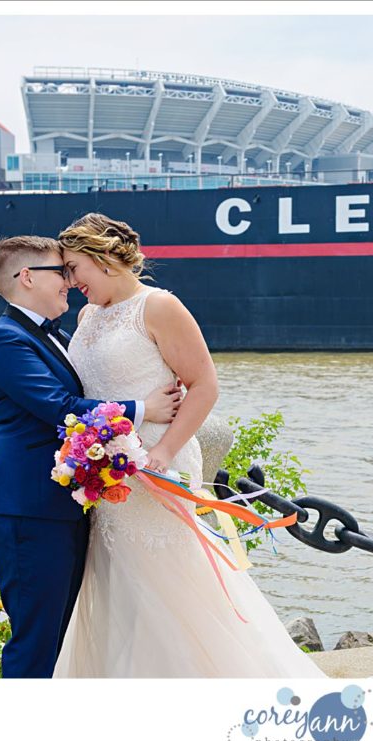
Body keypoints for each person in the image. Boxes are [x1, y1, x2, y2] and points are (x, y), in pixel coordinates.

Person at [53, 213, 325, 678]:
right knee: (120, 585)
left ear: (101, 258)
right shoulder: (87, 315)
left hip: (160, 463)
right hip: (109, 474)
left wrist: (161, 452)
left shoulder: (158, 307)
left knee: (171, 585)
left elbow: (204, 385)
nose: (69, 280)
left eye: (74, 267)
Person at [0, 235, 182, 678]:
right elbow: (59, 406)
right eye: (59, 271)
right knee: (35, 639)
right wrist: (143, 409)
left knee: (60, 634)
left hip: (61, 506)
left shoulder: (54, 334)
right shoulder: (6, 340)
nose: (69, 280)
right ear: (27, 277)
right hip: (25, 508)